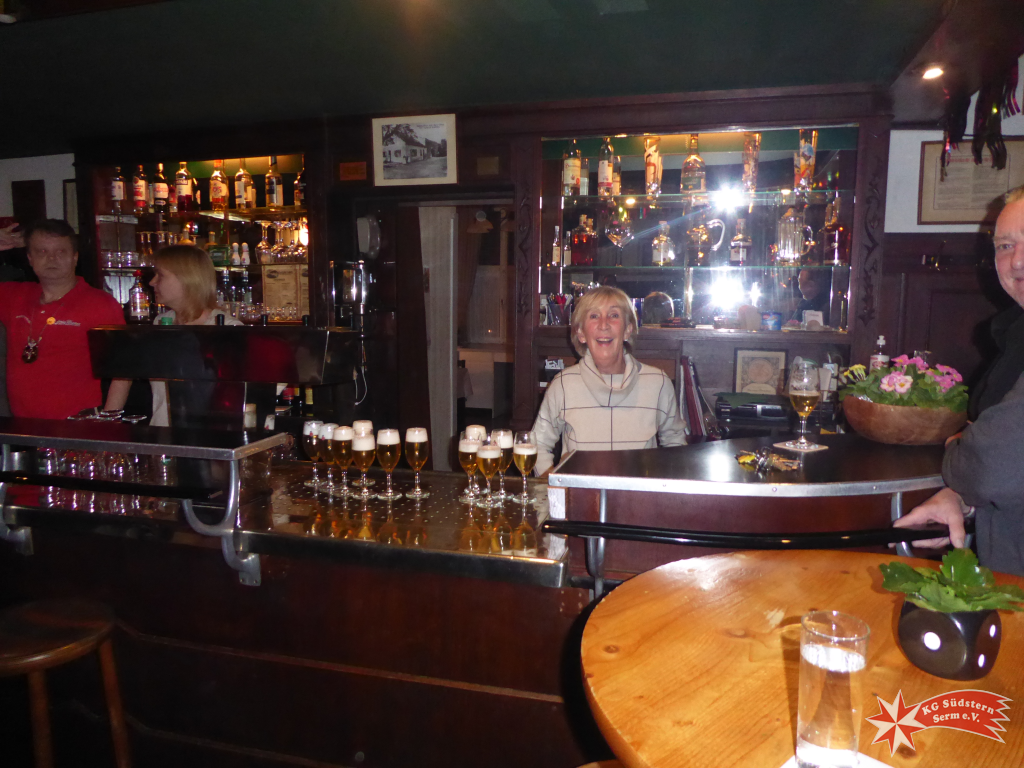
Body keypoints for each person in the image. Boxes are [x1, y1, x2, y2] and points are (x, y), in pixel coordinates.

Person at [894, 186, 1024, 575]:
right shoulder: (1014, 335)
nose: (1017, 261)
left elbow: (993, 464)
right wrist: (961, 495)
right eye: (1005, 246)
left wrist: (961, 449)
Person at [532, 285, 688, 475]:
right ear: (581, 333)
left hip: (636, 494)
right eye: (594, 316)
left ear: (628, 330)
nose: (603, 324)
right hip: (580, 494)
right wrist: (555, 485)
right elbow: (537, 445)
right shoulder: (563, 385)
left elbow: (675, 445)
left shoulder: (658, 383)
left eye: (614, 315)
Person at [0, 219, 130, 419]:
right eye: (42, 251)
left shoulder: (100, 303)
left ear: (75, 257)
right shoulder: (13, 295)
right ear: (30, 258)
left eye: (61, 251)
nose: (52, 258)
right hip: (22, 426)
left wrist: (108, 421)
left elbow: (124, 369)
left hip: (79, 425)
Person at [148, 244, 242, 426]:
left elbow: (268, 384)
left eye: (160, 275)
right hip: (163, 432)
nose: (152, 282)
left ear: (187, 279)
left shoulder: (227, 328)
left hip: (211, 436)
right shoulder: (161, 322)